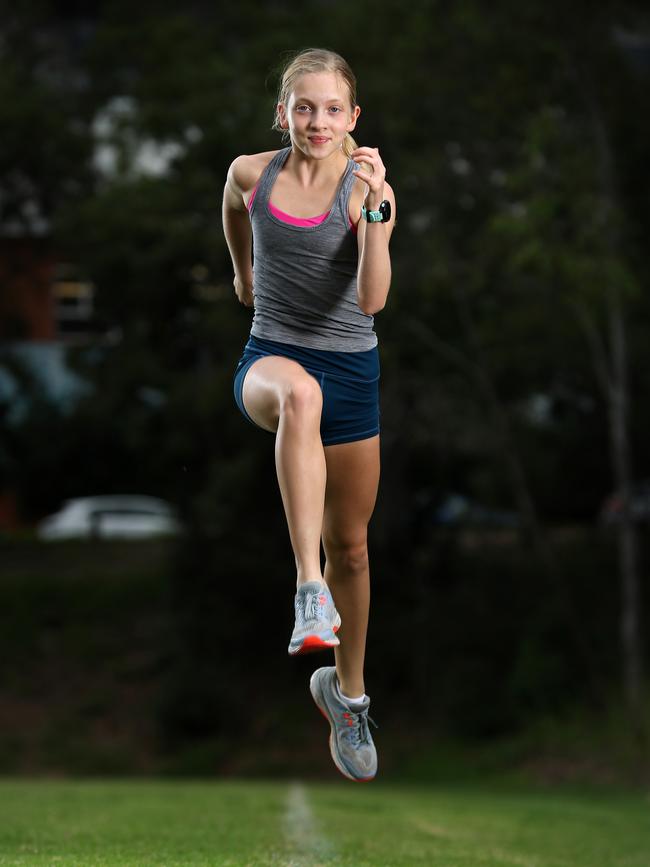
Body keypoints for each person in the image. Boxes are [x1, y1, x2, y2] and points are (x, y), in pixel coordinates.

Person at [222, 47, 395, 782]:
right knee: (300, 395)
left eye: (331, 109)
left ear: (351, 117)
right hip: (270, 359)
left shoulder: (365, 190)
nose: (316, 121)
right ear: (284, 112)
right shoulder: (250, 174)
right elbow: (233, 208)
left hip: (352, 366)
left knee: (352, 548)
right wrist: (242, 272)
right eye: (303, 106)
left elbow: (372, 299)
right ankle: (305, 588)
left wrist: (378, 214)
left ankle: (347, 694)